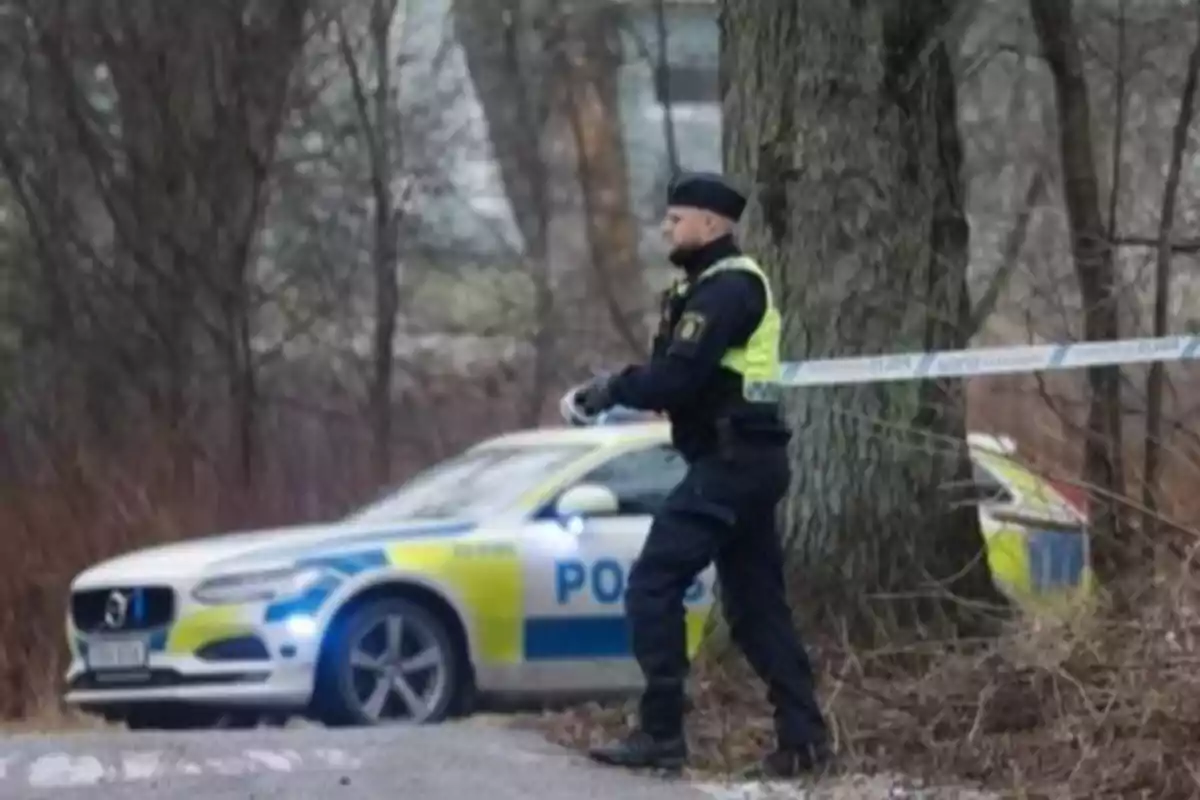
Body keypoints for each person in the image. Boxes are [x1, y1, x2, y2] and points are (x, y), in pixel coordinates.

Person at [573, 171, 831, 777]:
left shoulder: (728, 289)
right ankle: (804, 740)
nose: (666, 227)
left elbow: (678, 379)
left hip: (733, 463)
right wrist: (637, 388)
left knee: (653, 584)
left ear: (710, 225)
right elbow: (684, 379)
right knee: (756, 609)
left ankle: (662, 732)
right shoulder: (703, 287)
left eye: (676, 219)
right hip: (741, 459)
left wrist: (609, 390)